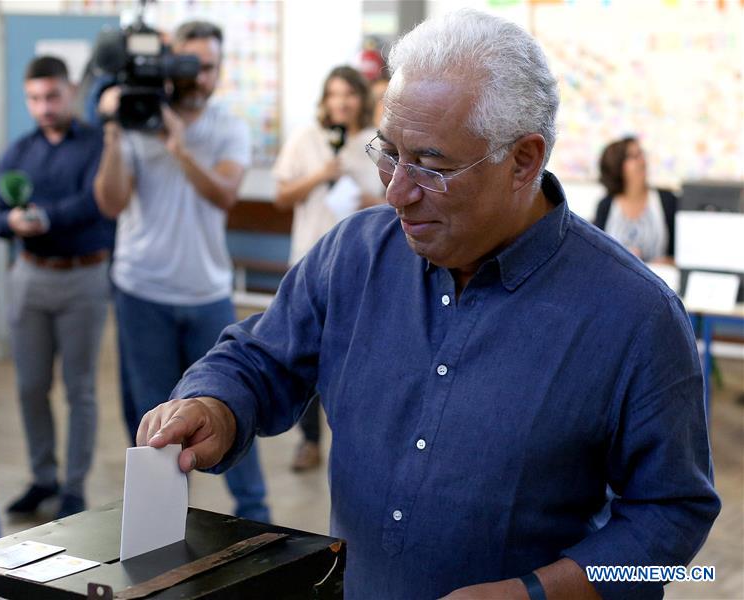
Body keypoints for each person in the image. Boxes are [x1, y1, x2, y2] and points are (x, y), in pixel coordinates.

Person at [138, 9, 720, 599]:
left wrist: (536, 594)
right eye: (389, 153)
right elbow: (259, 359)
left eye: (432, 167)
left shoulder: (635, 318)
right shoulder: (355, 255)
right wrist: (215, 404)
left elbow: (671, 523)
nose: (397, 191)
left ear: (523, 160)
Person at [93, 21, 269, 523]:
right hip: (140, 291)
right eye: (188, 63)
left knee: (232, 409)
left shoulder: (227, 127)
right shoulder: (134, 123)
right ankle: (160, 528)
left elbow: (225, 194)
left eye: (207, 66)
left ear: (218, 71)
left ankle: (255, 522)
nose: (197, 75)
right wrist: (113, 132)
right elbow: (110, 202)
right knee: (153, 420)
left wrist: (178, 146)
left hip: (206, 294)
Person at [0, 56, 114, 519]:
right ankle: (43, 477)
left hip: (83, 276)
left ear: (70, 93)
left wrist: (45, 218)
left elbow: (95, 203)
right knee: (29, 386)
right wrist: (12, 221)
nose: (44, 107)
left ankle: (75, 486)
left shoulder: (97, 144)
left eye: (53, 96)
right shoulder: (18, 152)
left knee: (78, 388)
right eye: (35, 99)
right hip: (30, 275)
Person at [273, 65, 384, 471]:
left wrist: (373, 203)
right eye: (333, 94)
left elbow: (397, 200)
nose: (341, 102)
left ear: (361, 99)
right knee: (310, 354)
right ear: (324, 99)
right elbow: (282, 197)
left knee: (360, 355)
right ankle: (310, 440)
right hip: (310, 262)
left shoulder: (377, 141)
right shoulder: (306, 138)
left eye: (349, 94)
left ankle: (359, 438)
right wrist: (322, 175)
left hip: (365, 266)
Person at [594, 136, 678, 264]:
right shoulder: (606, 205)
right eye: (633, 156)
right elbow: (597, 254)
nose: (642, 160)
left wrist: (670, 261)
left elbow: (682, 253)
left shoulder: (667, 200)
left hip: (660, 279)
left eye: (641, 154)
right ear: (618, 165)